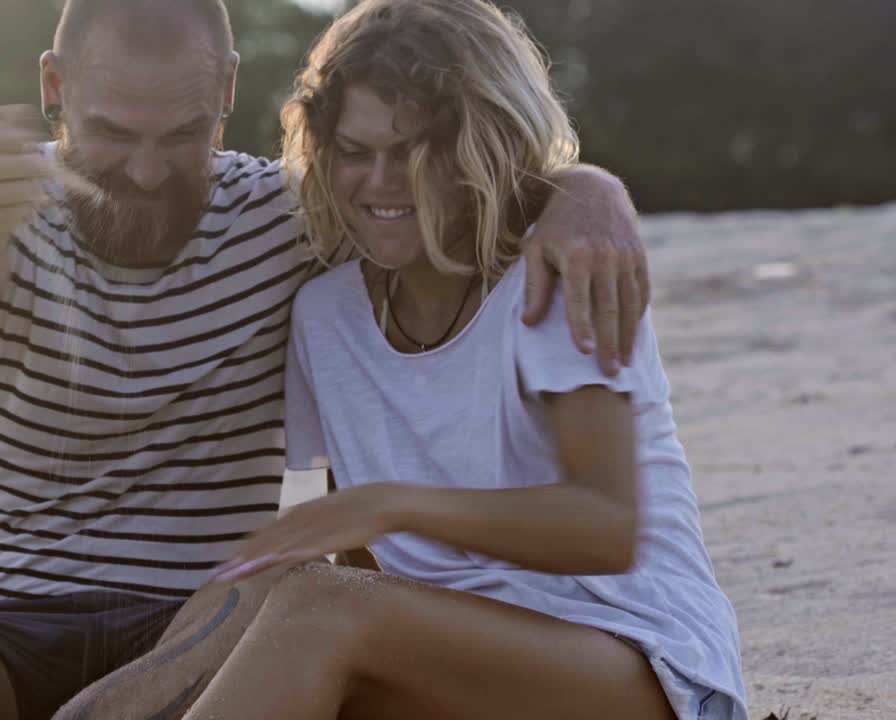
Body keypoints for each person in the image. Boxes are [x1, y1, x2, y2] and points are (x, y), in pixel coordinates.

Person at [0, 1, 652, 718]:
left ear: (225, 93)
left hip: (208, 630)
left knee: (282, 602)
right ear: (55, 91)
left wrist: (585, 191)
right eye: (112, 133)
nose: (145, 171)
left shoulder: (293, 221)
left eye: (181, 135)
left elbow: (431, 189)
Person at [177, 1, 747, 719]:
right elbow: (367, 570)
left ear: (482, 145)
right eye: (355, 151)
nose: (382, 181)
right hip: (465, 669)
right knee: (280, 624)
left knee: (317, 608)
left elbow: (607, 529)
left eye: (416, 151)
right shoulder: (324, 318)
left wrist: (392, 504)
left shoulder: (557, 274)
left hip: (639, 664)